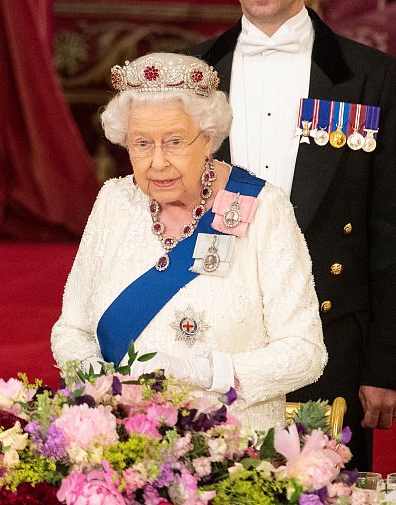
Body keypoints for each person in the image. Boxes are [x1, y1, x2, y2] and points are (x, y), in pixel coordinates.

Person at [50, 53, 327, 433]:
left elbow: (305, 353)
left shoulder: (263, 208)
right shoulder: (114, 201)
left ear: (209, 139)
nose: (157, 162)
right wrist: (96, 379)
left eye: (175, 142)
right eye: (141, 143)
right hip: (125, 443)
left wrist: (209, 372)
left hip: (233, 450)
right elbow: (72, 331)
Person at [187, 0, 396, 469]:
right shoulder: (190, 72)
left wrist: (385, 363)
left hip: (328, 342)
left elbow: (390, 230)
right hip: (208, 339)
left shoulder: (372, 76)